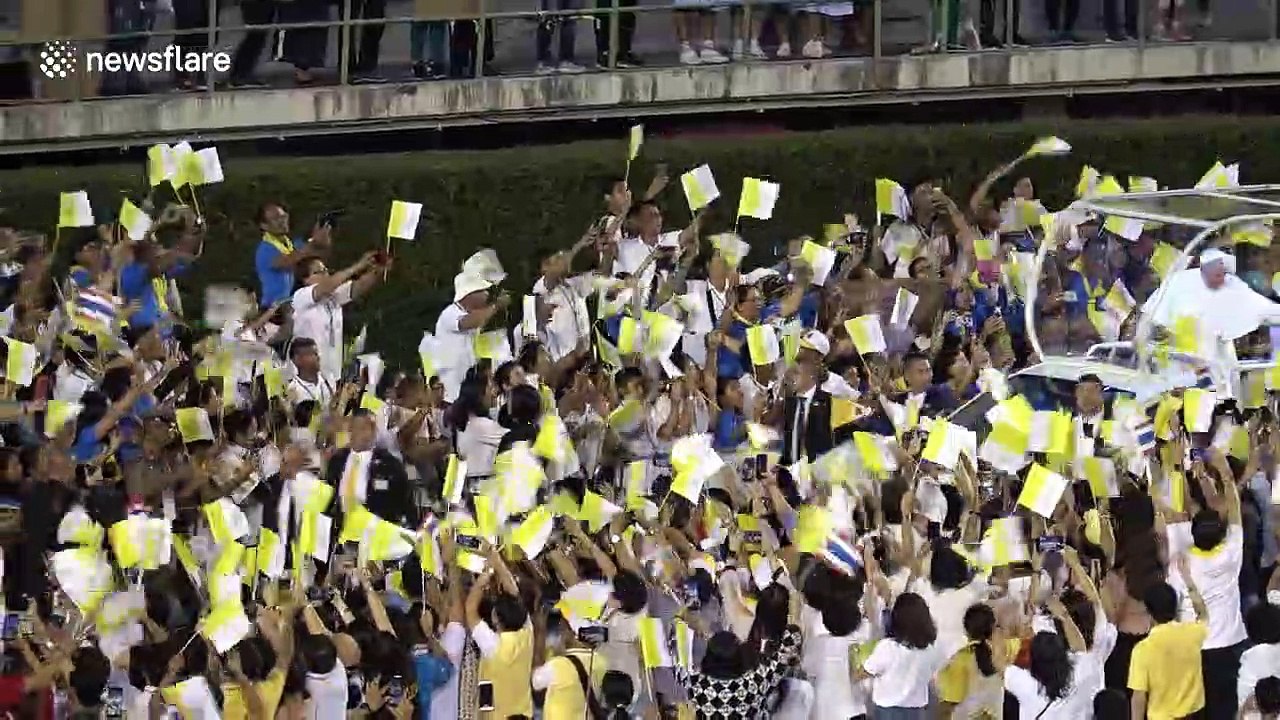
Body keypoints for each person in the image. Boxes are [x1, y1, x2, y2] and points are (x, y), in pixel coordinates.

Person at [291, 252, 388, 381]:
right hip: (306, 375)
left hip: (332, 374)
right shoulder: (300, 297)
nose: (326, 274)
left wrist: (377, 270)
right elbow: (328, 285)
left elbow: (358, 287)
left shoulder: (333, 297)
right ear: (305, 279)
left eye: (326, 270)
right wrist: (359, 265)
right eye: (319, 272)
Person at [1128, 572, 1210, 720]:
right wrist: (1189, 581)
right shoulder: (1193, 633)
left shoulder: (1143, 649)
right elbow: (1203, 614)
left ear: (1149, 612)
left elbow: (1139, 697)